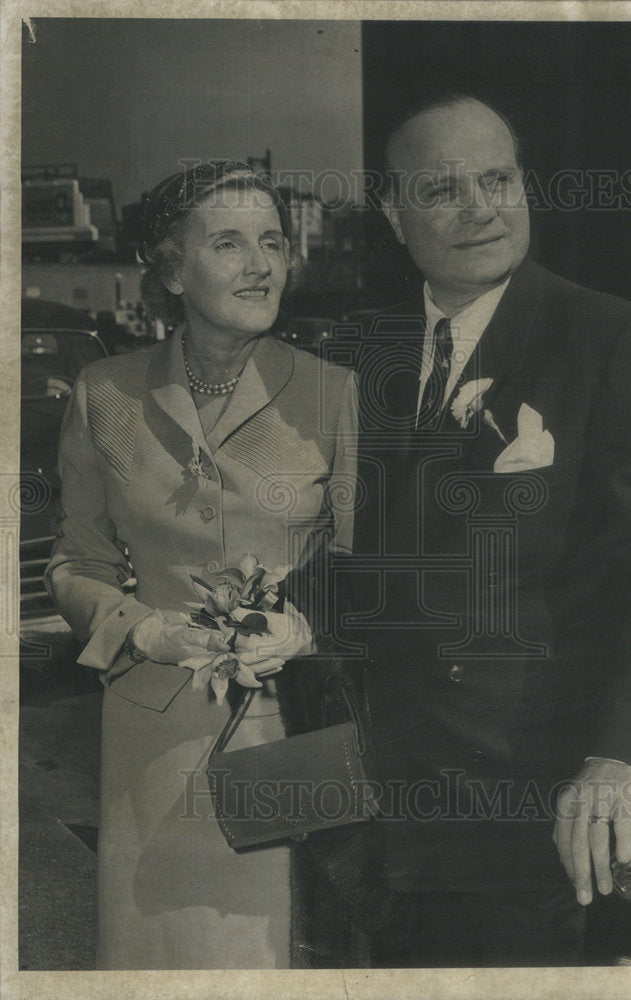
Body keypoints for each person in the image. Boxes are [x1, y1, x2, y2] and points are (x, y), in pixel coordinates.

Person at [340, 95, 631, 966]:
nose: (481, 208)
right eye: (442, 190)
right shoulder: (364, 354)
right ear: (392, 214)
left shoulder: (610, 339)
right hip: (384, 806)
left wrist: (621, 755)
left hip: (538, 802)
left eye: (498, 178)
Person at [45, 161, 357, 970]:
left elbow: (365, 565)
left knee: (278, 951)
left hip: (292, 727)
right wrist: (137, 629)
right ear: (170, 268)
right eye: (228, 243)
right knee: (156, 957)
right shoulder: (102, 393)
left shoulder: (336, 394)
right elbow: (76, 564)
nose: (260, 264)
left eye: (273, 243)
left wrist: (304, 626)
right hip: (149, 739)